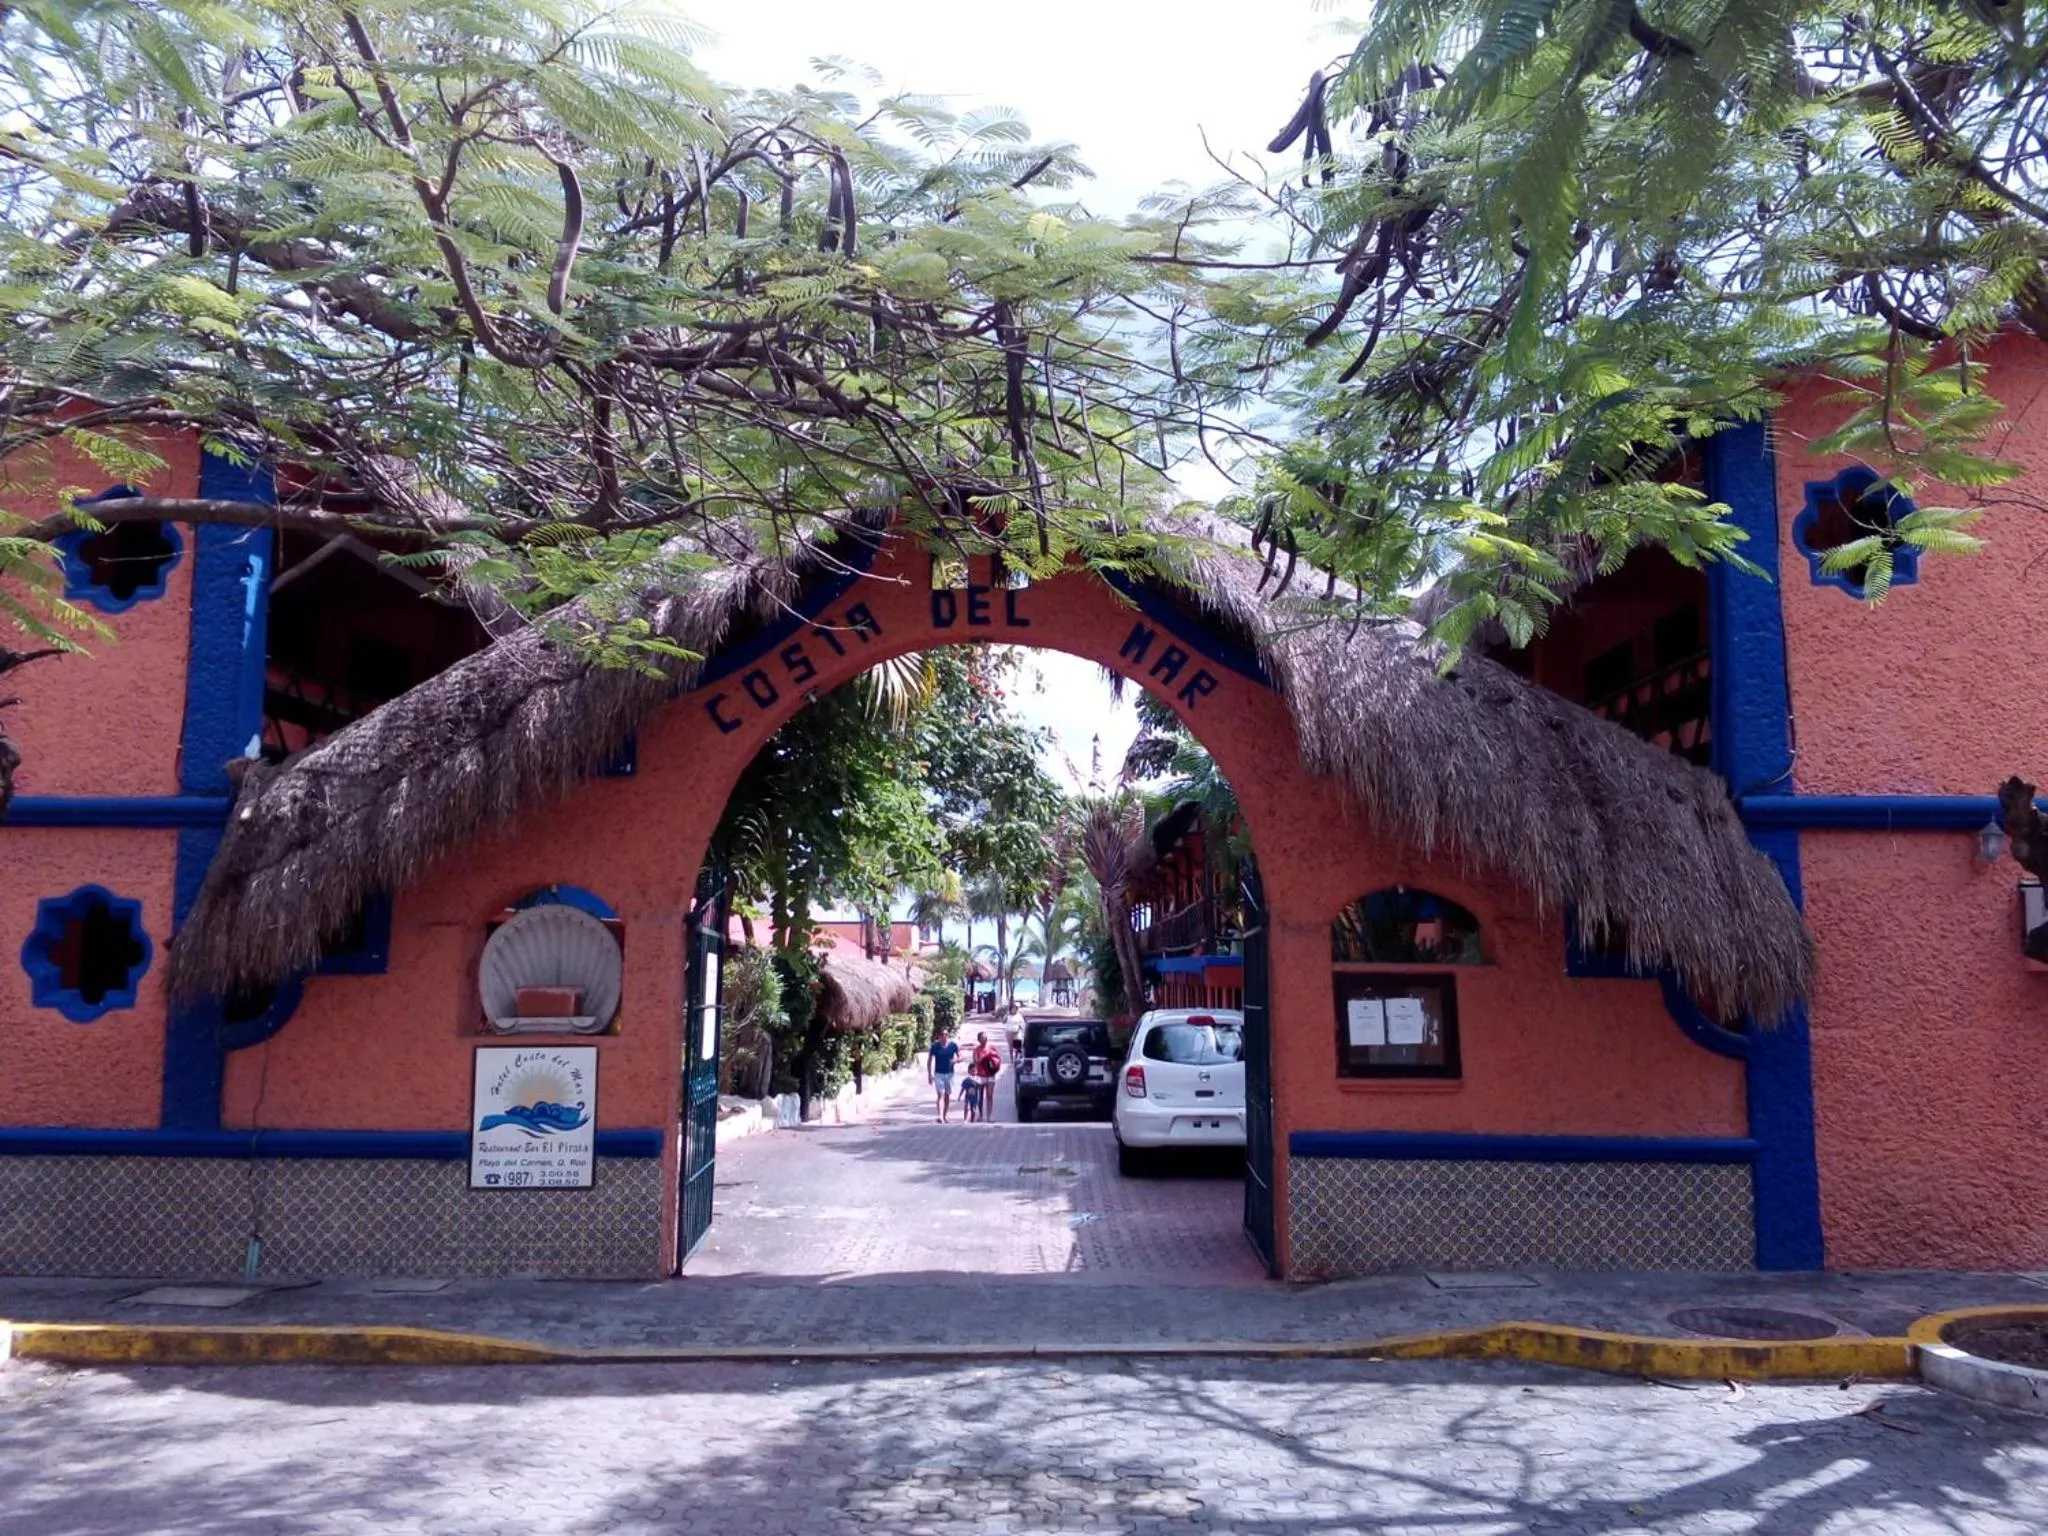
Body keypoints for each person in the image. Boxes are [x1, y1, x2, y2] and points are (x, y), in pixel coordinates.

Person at [928, 1027, 961, 1123]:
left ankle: (945, 1116)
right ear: (938, 1036)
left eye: (946, 1034)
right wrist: (929, 1075)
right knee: (940, 1095)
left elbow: (961, 1056)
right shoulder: (935, 1046)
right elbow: (929, 1060)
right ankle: (940, 1116)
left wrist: (956, 1060)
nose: (944, 1036)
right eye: (942, 1034)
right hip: (938, 1073)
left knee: (947, 1095)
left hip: (950, 1074)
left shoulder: (953, 1045)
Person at [968, 1031, 1002, 1122]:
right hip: (980, 1075)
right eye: (982, 1038)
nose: (984, 1039)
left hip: (990, 1075)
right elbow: (975, 1062)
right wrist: (982, 1057)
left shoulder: (992, 1048)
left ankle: (989, 1116)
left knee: (990, 1096)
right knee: (980, 1096)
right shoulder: (976, 1050)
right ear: (979, 1039)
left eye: (985, 1037)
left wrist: (995, 1066)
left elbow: (997, 1060)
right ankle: (981, 1115)